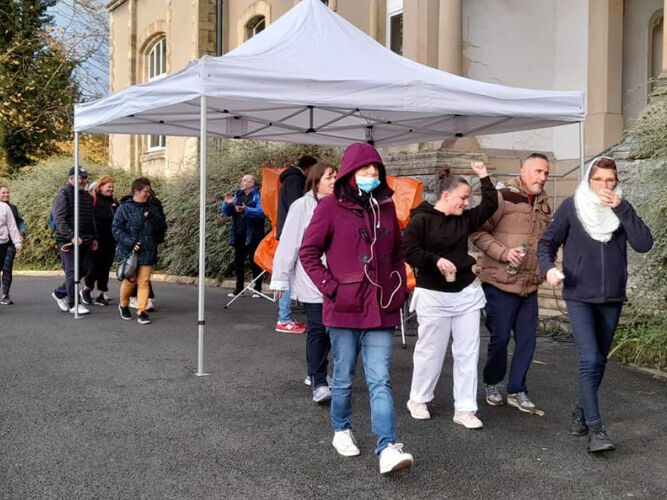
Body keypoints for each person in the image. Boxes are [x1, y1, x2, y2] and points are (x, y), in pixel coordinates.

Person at [299, 143, 413, 475]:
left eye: (376, 171)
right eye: (365, 171)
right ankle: (341, 428)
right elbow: (308, 252)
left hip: (380, 307)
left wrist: (396, 287)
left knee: (380, 379)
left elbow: (397, 251)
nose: (371, 176)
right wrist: (331, 288)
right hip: (344, 307)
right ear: (350, 173)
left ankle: (387, 446)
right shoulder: (330, 206)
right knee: (344, 377)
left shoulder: (387, 206)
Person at [538, 156, 652, 453]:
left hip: (611, 298)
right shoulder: (572, 206)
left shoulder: (621, 208)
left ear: (617, 181)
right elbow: (546, 242)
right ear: (590, 180)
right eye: (599, 180)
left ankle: (580, 412)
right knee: (589, 359)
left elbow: (644, 243)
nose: (605, 185)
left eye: (610, 180)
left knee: (599, 360)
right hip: (578, 295)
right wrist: (548, 267)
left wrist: (621, 207)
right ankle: (596, 430)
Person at [403, 162, 497, 429]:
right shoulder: (420, 219)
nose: (466, 203)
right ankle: (418, 399)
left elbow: (490, 205)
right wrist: (435, 261)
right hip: (433, 293)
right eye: (463, 198)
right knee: (430, 351)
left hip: (466, 291)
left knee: (468, 351)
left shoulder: (464, 219)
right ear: (446, 196)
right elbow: (408, 250)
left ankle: (465, 409)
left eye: (468, 198)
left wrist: (483, 176)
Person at [470, 153, 551, 413]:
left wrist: (547, 263)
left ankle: (517, 389)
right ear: (523, 172)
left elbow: (547, 241)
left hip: (530, 283)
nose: (543, 177)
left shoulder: (545, 204)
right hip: (500, 282)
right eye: (538, 171)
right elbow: (477, 232)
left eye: (546, 173)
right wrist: (504, 253)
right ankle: (492, 382)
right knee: (501, 338)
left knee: (527, 340)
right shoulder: (503, 196)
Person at [270, 163, 337, 404]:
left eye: (336, 177)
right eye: (329, 177)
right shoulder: (302, 206)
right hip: (312, 279)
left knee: (335, 331)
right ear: (316, 180)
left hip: (339, 280)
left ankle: (318, 372)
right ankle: (318, 380)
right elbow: (289, 245)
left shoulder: (342, 205)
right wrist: (280, 279)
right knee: (318, 329)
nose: (334, 181)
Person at [113, 178, 167, 325]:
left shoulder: (152, 207)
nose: (148, 194)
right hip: (129, 250)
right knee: (130, 281)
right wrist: (130, 243)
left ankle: (141, 311)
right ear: (136, 191)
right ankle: (123, 304)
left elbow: (163, 226)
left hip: (148, 249)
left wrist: (153, 217)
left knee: (144, 281)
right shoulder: (124, 208)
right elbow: (116, 229)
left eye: (149, 192)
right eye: (145, 192)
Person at [274, 155, 318, 334]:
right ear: (308, 169)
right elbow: (297, 207)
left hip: (287, 230)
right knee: (288, 273)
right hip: (292, 233)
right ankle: (283, 318)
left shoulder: (290, 178)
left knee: (289, 273)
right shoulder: (294, 180)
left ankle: (284, 317)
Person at [51, 167, 98, 315]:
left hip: (85, 240)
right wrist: (71, 235)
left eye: (85, 178)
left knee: (85, 268)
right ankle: (74, 304)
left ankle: (59, 293)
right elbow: (59, 219)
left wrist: (94, 237)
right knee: (72, 272)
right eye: (80, 178)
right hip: (68, 241)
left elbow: (91, 219)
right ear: (71, 179)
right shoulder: (62, 196)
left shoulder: (87, 197)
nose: (84, 181)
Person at [221, 174, 265, 297]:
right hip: (239, 233)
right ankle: (239, 288)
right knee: (238, 262)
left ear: (252, 183)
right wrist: (227, 204)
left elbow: (261, 213)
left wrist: (246, 210)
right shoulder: (238, 195)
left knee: (254, 261)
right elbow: (227, 213)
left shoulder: (257, 196)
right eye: (242, 180)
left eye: (246, 180)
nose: (243, 182)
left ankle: (258, 288)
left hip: (254, 234)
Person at [80, 176, 118, 306]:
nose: (111, 189)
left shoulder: (113, 202)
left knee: (106, 267)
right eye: (109, 186)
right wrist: (91, 237)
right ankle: (86, 289)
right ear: (100, 187)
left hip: (110, 239)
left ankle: (101, 294)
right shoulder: (93, 199)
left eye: (112, 187)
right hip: (96, 239)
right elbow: (88, 219)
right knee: (95, 266)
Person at [0, 186, 26, 305]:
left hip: (8, 243)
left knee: (7, 267)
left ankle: (5, 294)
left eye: (7, 192)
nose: (6, 194)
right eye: (3, 192)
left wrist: (20, 236)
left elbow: (17, 223)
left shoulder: (12, 208)